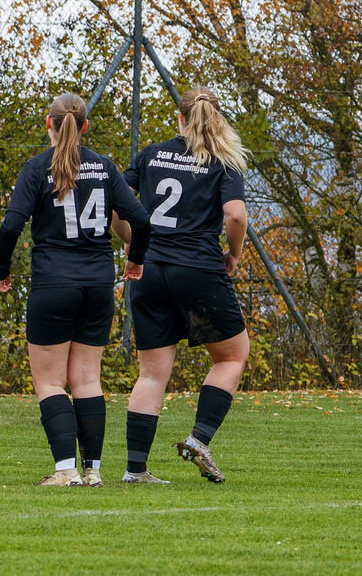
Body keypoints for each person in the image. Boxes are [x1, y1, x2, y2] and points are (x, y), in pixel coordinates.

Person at [0, 92, 150, 487]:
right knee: (86, 378)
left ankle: (65, 470)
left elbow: (11, 226)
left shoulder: (35, 168)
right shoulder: (103, 166)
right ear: (83, 126)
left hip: (53, 283)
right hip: (97, 283)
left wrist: (2, 270)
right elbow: (141, 220)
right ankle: (93, 471)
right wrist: (135, 260)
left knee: (50, 382)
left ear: (48, 124)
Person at [120, 85, 250, 484]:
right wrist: (235, 253)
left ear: (179, 118)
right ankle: (199, 438)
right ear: (217, 119)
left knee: (152, 373)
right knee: (232, 355)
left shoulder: (151, 153)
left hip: (150, 269)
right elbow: (236, 217)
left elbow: (118, 200)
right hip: (197, 268)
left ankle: (135, 470)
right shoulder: (222, 162)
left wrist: (134, 245)